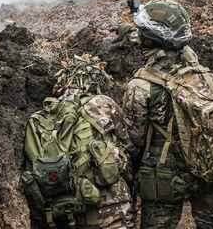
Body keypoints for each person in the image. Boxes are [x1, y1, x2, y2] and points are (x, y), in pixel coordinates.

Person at [122, 0, 213, 229]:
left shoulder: (140, 86)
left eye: (142, 32)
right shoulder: (191, 58)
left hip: (164, 178)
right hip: (205, 164)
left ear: (150, 39)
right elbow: (167, 39)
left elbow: (132, 142)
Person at [23, 54, 136, 229]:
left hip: (64, 213)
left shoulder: (44, 116)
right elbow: (129, 145)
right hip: (111, 208)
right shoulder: (103, 103)